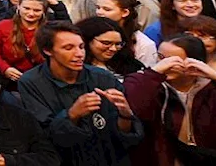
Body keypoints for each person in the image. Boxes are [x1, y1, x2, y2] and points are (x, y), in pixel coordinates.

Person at [18, 22, 142, 166]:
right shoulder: (31, 82)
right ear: (47, 50)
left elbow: (125, 138)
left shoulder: (103, 77)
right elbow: (45, 137)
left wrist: (125, 114)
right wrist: (72, 115)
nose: (79, 54)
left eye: (81, 47)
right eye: (68, 48)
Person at [124, 35, 216, 165]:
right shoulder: (147, 83)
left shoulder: (213, 88)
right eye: (161, 57)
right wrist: (154, 72)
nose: (165, 64)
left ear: (195, 62)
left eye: (174, 60)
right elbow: (132, 105)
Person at [0, 0, 49, 85]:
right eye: (26, 8)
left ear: (43, 11)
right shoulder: (3, 26)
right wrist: (5, 68)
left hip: (40, 81)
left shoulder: (50, 31)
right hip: (7, 80)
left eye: (37, 10)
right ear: (18, 6)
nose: (31, 13)